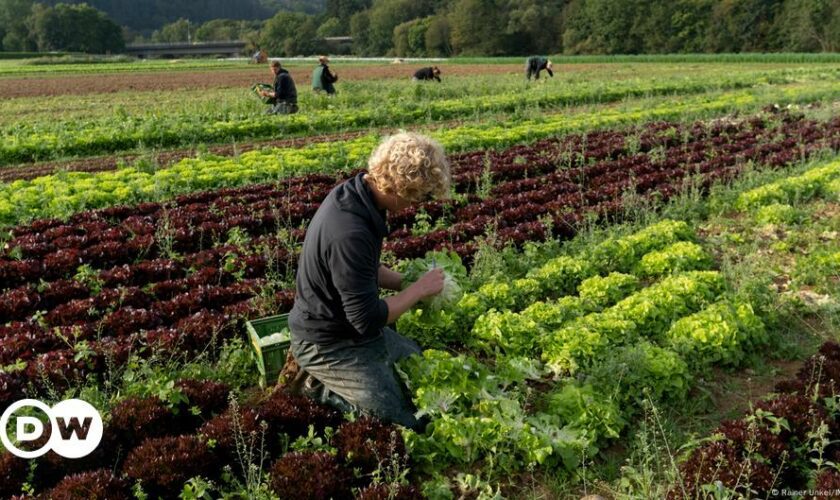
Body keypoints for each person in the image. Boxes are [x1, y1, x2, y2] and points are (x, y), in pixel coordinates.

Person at [287, 132, 451, 430]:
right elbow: (366, 319)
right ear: (403, 187)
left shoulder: (358, 195)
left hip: (349, 327)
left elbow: (364, 270)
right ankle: (316, 387)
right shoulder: (351, 231)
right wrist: (418, 290)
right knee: (399, 418)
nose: (419, 204)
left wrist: (405, 283)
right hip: (326, 342)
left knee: (417, 361)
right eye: (421, 195)